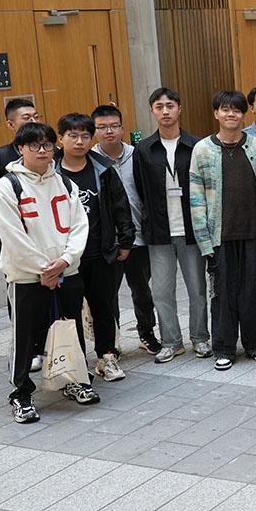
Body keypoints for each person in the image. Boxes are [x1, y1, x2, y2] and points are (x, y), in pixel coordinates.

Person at [0, 122, 97, 423]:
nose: (42, 151)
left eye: (47, 145)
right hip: (27, 276)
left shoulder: (66, 183)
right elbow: (12, 235)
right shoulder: (6, 187)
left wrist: (64, 262)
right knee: (26, 336)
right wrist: (45, 269)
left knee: (71, 327)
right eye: (34, 145)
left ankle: (74, 379)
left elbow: (80, 226)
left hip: (66, 271)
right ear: (20, 149)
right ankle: (21, 394)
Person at [189, 90, 256, 371]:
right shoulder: (202, 150)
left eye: (236, 110)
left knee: (254, 291)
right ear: (216, 114)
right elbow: (196, 198)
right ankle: (223, 348)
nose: (231, 114)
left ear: (243, 114)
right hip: (219, 236)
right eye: (225, 109)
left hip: (252, 232)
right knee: (222, 294)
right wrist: (204, 241)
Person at [55, 113, 134, 382]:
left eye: (85, 136)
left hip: (100, 252)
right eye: (73, 136)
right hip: (66, 258)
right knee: (69, 312)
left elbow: (120, 206)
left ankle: (106, 357)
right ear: (60, 138)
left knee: (103, 307)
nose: (79, 142)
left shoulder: (103, 170)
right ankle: (77, 363)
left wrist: (125, 240)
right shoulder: (51, 174)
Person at [133, 88, 210, 363]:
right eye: (159, 106)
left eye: (170, 106)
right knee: (162, 291)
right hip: (160, 232)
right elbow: (141, 189)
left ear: (180, 108)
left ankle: (201, 338)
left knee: (197, 289)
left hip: (191, 230)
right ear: (152, 111)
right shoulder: (144, 149)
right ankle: (171, 341)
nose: (165, 111)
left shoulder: (197, 145)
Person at [91, 104, 160, 354]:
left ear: (122, 128)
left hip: (138, 236)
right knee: (108, 296)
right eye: (102, 127)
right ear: (95, 131)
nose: (109, 131)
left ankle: (146, 333)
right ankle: (112, 341)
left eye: (113, 126)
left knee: (142, 289)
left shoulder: (138, 154)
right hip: (107, 241)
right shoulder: (92, 161)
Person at [0, 98, 40, 182]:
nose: (34, 121)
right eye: (26, 118)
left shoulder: (52, 150)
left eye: (36, 117)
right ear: (11, 124)